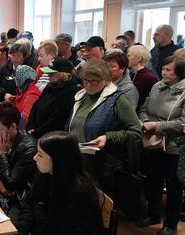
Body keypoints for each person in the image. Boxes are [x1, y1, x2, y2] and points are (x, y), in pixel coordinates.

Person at [66, 60, 141, 202]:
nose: (88, 85)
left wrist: (108, 137)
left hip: (103, 165)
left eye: (94, 82)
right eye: (85, 80)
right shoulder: (81, 97)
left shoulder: (118, 99)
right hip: (79, 160)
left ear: (106, 81)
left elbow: (136, 131)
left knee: (100, 208)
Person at [17, 131, 104, 235]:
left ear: (58, 160)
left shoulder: (80, 192)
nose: (34, 158)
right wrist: (21, 230)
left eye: (40, 155)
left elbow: (63, 228)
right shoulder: (46, 174)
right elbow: (29, 202)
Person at [139, 56, 185, 235]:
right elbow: (144, 108)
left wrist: (157, 126)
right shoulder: (157, 86)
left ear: (179, 73)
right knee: (153, 180)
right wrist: (145, 122)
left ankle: (171, 225)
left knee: (174, 186)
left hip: (175, 146)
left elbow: (182, 122)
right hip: (153, 142)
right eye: (163, 69)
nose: (163, 72)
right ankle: (153, 214)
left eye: (168, 70)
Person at [0, 101, 37, 225]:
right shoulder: (3, 138)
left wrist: (2, 154)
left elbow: (12, 184)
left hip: (19, 202)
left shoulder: (28, 148)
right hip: (1, 192)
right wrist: (0, 186)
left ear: (13, 127)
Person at [26, 57, 80, 138]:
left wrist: (37, 132)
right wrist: (30, 126)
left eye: (51, 73)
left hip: (52, 137)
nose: (48, 75)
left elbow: (58, 118)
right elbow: (36, 106)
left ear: (62, 74)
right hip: (36, 133)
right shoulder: (50, 86)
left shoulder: (70, 91)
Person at [127, 45, 158, 110]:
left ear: (139, 59)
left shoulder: (148, 77)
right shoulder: (133, 73)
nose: (126, 58)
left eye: (129, 56)